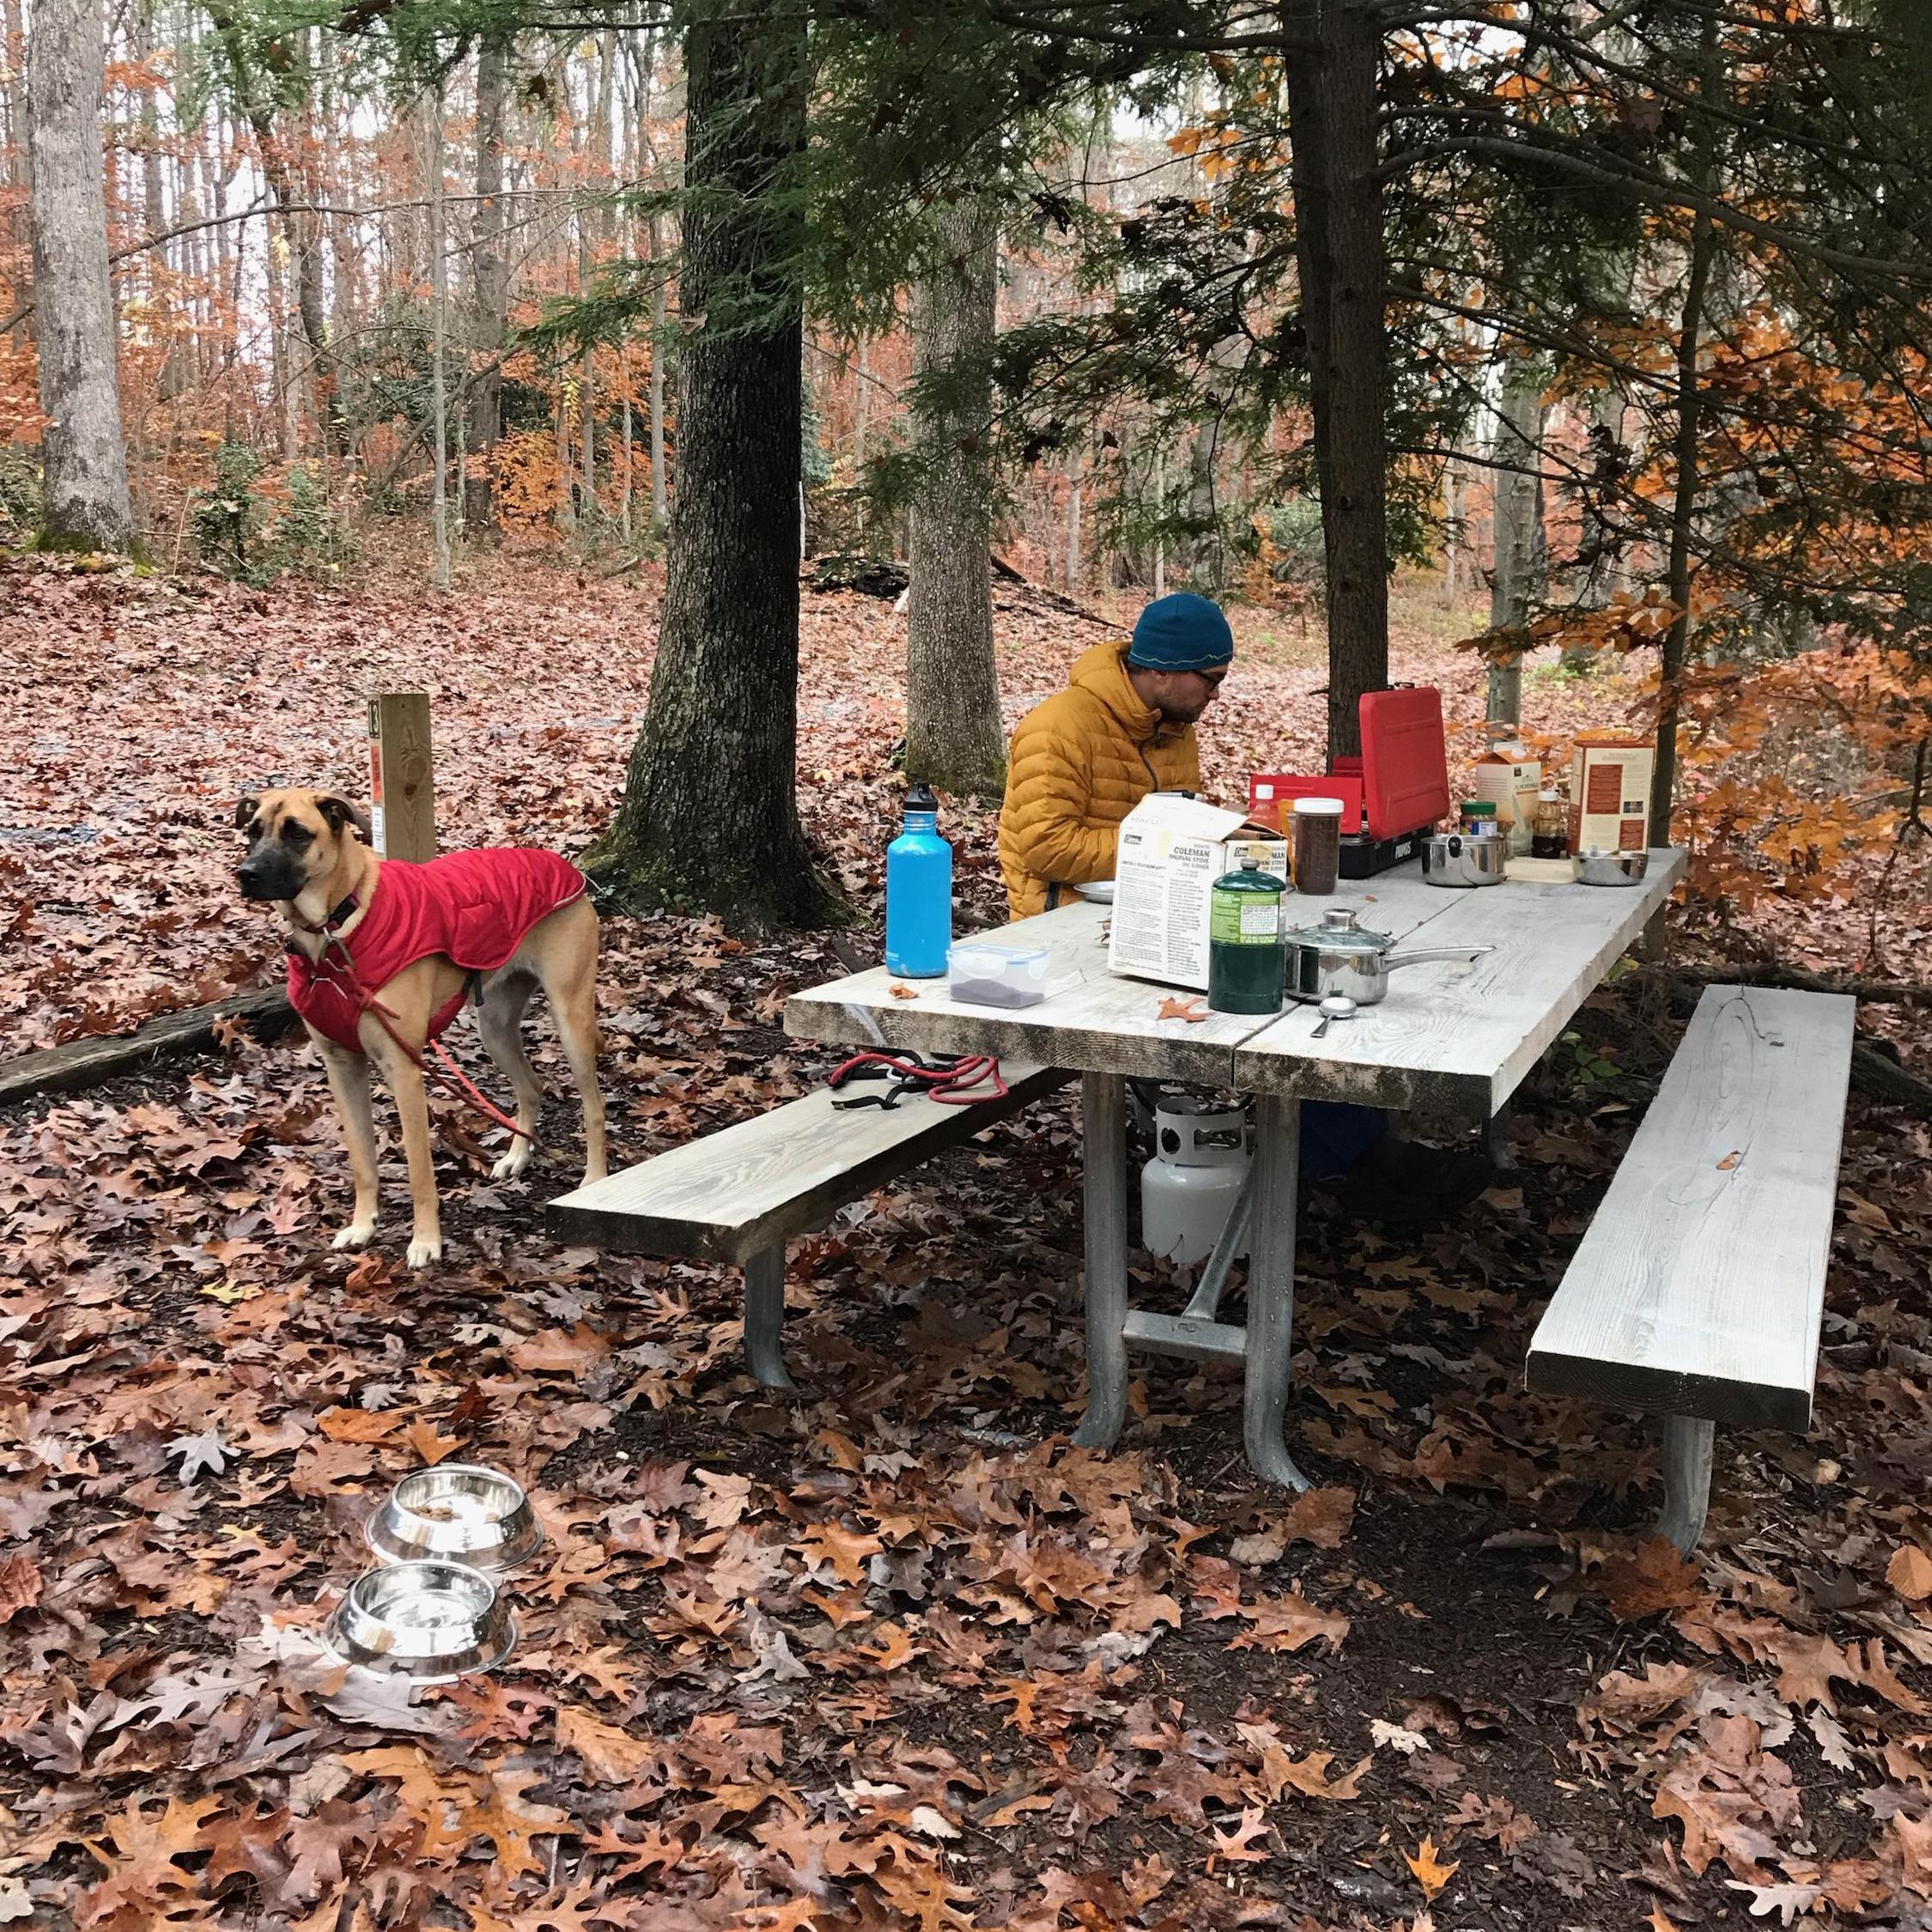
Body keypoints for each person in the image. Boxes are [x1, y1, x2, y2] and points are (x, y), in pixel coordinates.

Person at [996, 591, 1490, 1222]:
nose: (1216, 694)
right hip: (1067, 934)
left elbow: (1177, 825)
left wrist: (1228, 841)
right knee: (1259, 989)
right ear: (1164, 670)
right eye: (1211, 679)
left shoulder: (1174, 726)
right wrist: (1173, 842)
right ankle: (1351, 1162)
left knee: (1281, 967)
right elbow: (1044, 845)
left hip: (1158, 913)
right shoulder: (1058, 727)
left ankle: (1356, 1152)